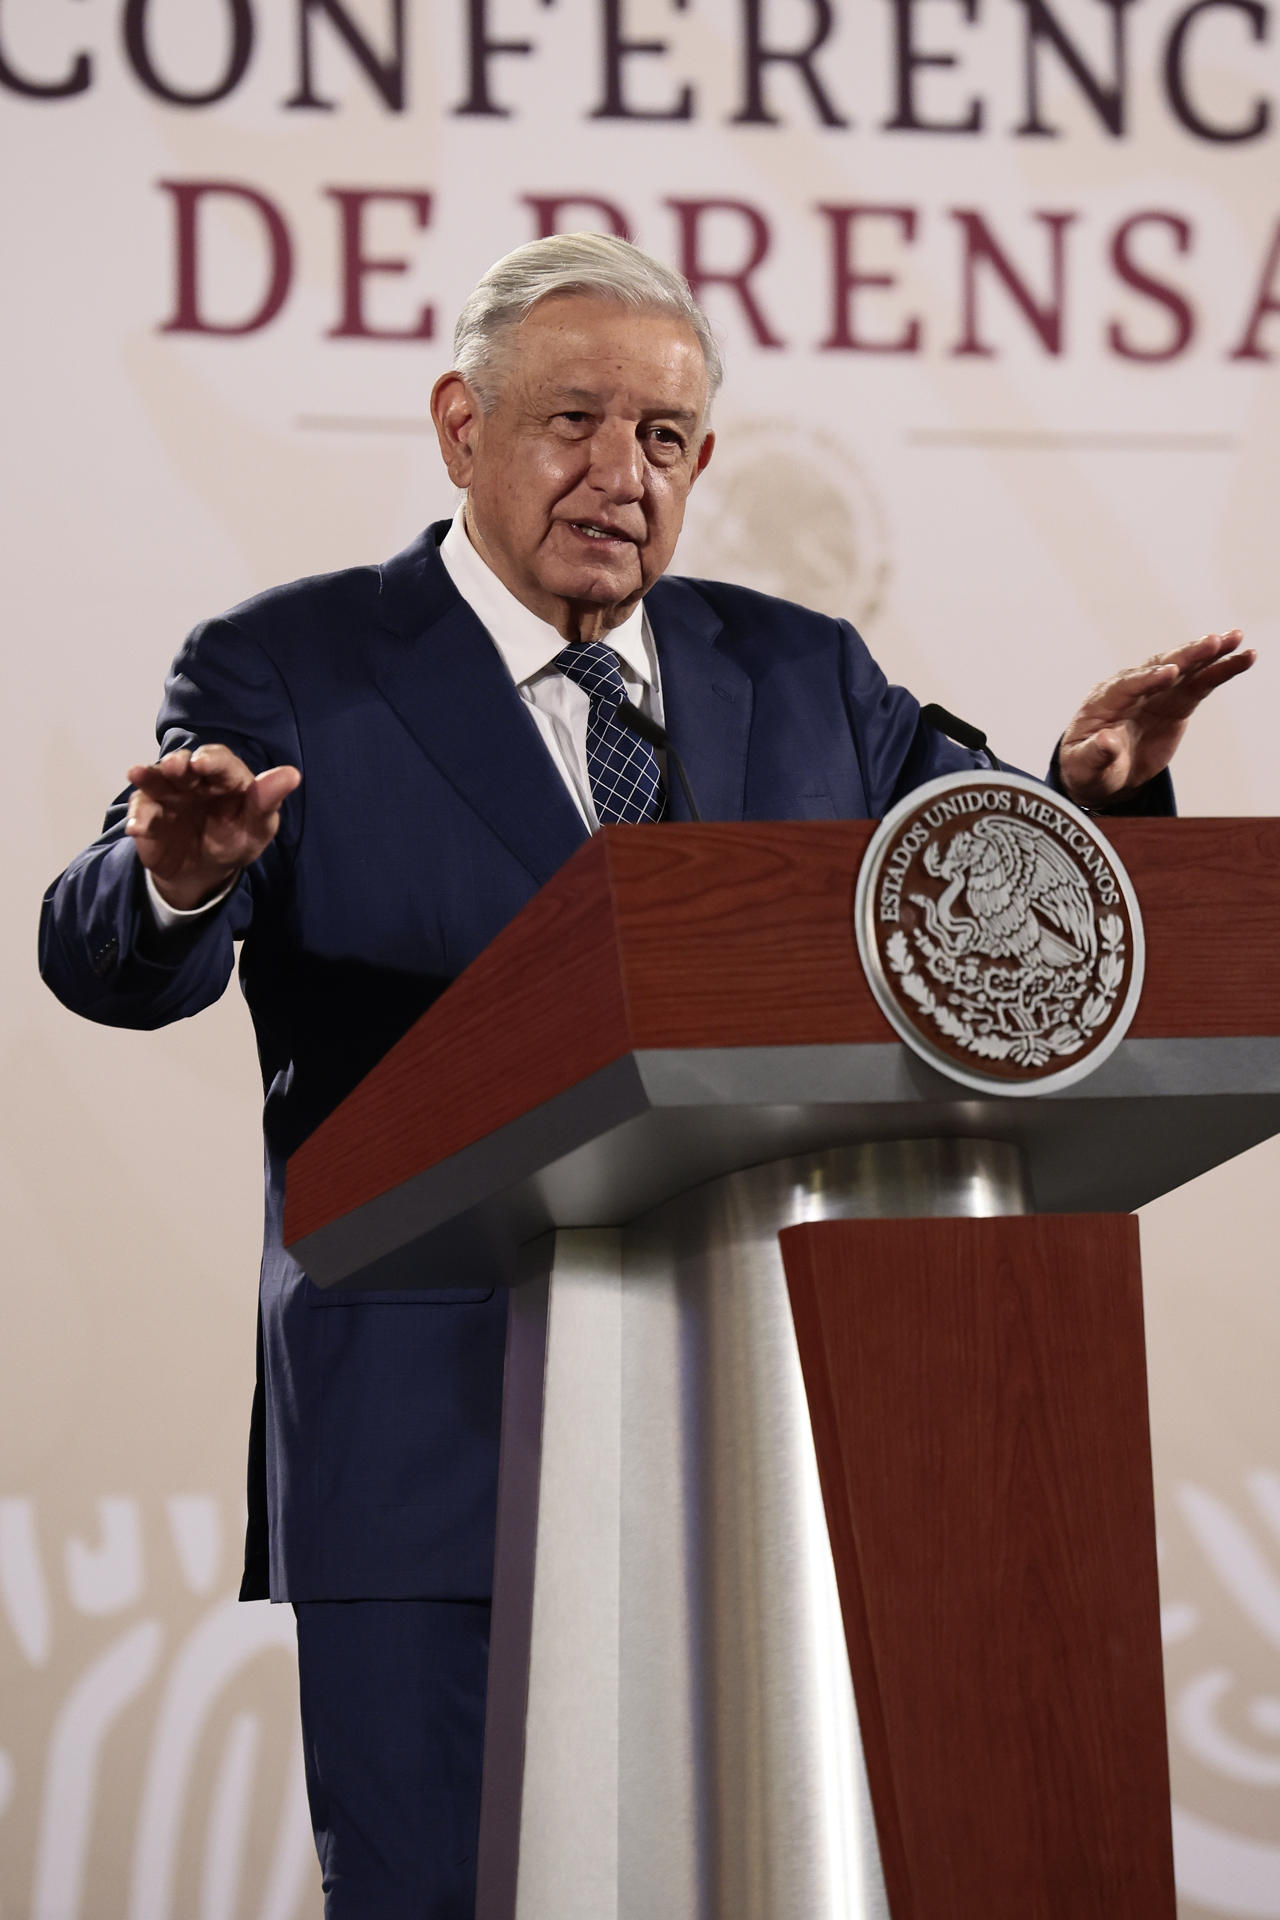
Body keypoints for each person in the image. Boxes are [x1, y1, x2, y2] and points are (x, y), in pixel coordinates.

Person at [39, 233, 1254, 1919]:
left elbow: (981, 876)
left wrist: (1087, 793)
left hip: (798, 1439)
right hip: (437, 1444)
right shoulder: (295, 665)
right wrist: (177, 875)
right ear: (461, 425)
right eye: (575, 424)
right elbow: (109, 950)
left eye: (667, 438)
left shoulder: (805, 668)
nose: (624, 475)